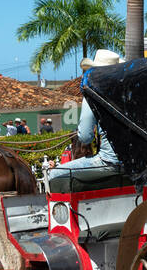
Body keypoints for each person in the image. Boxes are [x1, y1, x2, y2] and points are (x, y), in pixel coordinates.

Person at [47, 49, 122, 184]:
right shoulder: (127, 92)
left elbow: (85, 137)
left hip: (109, 162)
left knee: (53, 174)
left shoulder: (93, 95)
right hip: (133, 163)